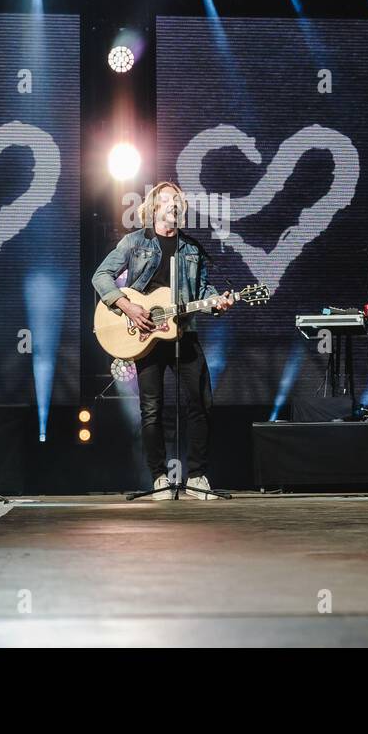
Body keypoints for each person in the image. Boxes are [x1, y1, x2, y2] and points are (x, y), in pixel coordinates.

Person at [91, 182, 233, 499]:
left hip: (184, 333)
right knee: (152, 409)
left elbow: (202, 292)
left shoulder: (193, 249)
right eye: (167, 199)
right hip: (145, 335)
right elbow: (100, 276)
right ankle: (159, 478)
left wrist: (218, 302)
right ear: (154, 207)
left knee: (201, 404)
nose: (173, 204)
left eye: (177, 201)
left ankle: (196, 476)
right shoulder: (134, 242)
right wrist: (127, 305)